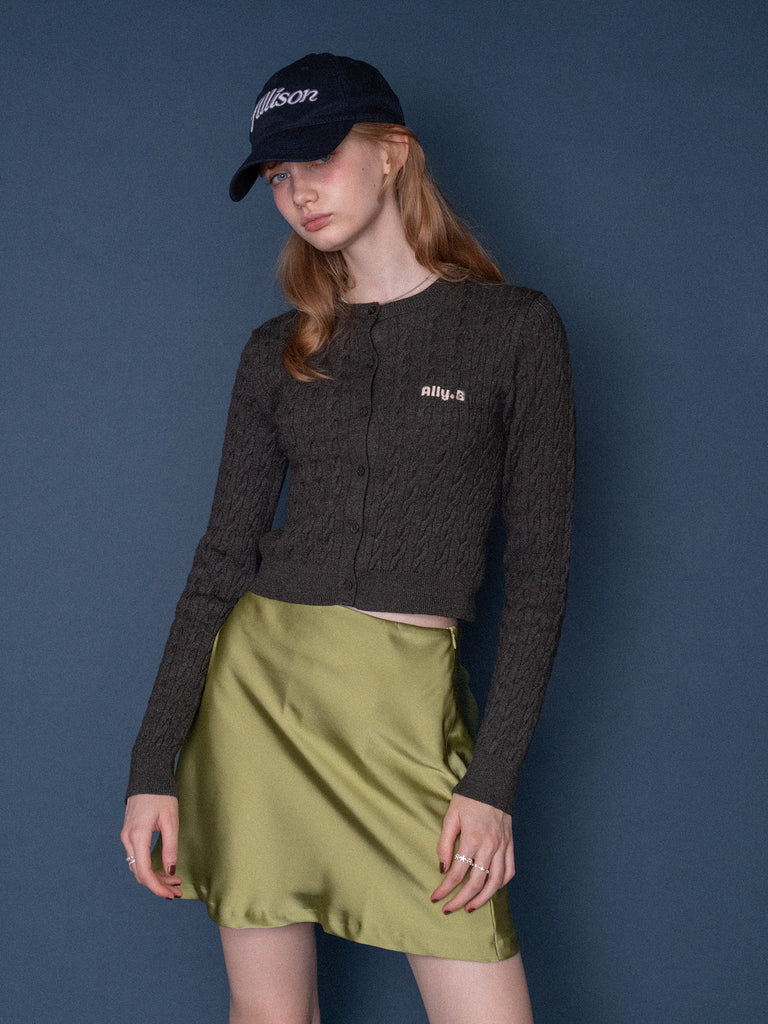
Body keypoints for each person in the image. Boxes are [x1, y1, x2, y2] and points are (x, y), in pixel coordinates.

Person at [121, 52, 575, 1024]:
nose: (297, 193)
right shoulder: (276, 352)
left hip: (402, 711)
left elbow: (540, 576)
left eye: (317, 160)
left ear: (393, 152)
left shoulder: (515, 331)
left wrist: (491, 783)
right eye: (277, 176)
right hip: (258, 701)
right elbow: (219, 560)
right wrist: (151, 767)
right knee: (270, 1014)